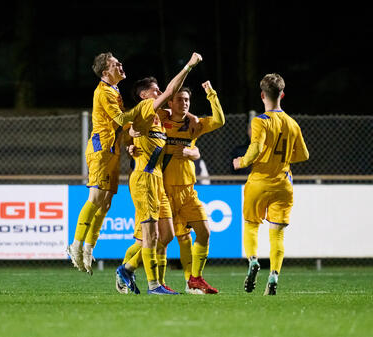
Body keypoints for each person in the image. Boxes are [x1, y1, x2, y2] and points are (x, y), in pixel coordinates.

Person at [115, 52, 203, 295]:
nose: (160, 92)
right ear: (144, 95)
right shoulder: (145, 109)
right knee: (149, 235)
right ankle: (153, 285)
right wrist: (189, 66)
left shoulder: (158, 119)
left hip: (158, 181)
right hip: (144, 179)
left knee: (166, 235)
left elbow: (171, 117)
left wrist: (131, 141)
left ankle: (128, 268)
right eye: (155, 90)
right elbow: (169, 93)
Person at [233, 73, 309, 295]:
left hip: (258, 181)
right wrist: (282, 158)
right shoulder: (292, 124)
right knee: (277, 235)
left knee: (251, 225)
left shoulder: (260, 121)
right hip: (283, 183)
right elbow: (303, 155)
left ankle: (253, 260)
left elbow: (256, 147)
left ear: (262, 95)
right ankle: (273, 277)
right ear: (282, 95)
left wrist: (242, 162)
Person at [66, 52, 136, 275]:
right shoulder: (104, 92)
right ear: (106, 72)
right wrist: (145, 112)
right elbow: (122, 120)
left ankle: (88, 246)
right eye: (116, 64)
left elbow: (123, 124)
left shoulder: (114, 90)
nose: (120, 65)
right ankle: (75, 244)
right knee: (95, 198)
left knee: (105, 203)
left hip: (113, 151)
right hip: (101, 150)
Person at [158, 82, 225, 294]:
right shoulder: (160, 120)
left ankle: (194, 279)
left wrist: (211, 94)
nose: (184, 103)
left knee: (203, 232)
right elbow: (146, 113)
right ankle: (150, 279)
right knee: (167, 239)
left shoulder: (193, 125)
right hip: (165, 191)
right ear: (170, 101)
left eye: (187, 100)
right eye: (179, 99)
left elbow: (219, 120)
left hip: (188, 191)